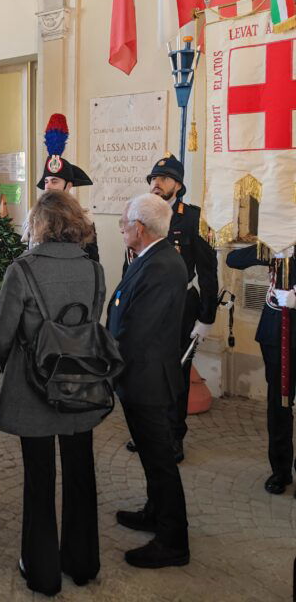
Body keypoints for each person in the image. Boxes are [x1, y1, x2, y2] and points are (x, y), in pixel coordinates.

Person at [0, 189, 105, 596]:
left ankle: (41, 572)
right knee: (81, 473)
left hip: (32, 383)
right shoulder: (94, 268)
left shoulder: (22, 270)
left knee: (39, 479)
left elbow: (3, 334)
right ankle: (83, 562)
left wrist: (8, 363)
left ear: (39, 224)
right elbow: (93, 320)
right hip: (83, 382)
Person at [107, 193, 189, 568]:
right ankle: (155, 512)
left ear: (139, 227)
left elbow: (139, 330)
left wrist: (109, 364)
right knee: (151, 455)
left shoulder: (161, 265)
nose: (122, 228)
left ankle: (173, 541)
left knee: (160, 461)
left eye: (124, 223)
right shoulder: (152, 258)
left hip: (147, 378)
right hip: (140, 375)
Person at [125, 155, 219, 462]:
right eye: (153, 178)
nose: (156, 183)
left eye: (163, 178)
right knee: (146, 371)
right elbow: (130, 263)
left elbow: (207, 271)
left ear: (177, 184)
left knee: (175, 375)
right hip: (144, 306)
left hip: (180, 307)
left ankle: (174, 436)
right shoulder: (139, 213)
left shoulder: (192, 218)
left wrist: (206, 317)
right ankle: (147, 432)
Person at [227, 246, 296, 495]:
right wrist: (269, 248)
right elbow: (233, 259)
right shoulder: (275, 241)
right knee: (278, 404)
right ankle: (280, 470)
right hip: (276, 332)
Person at [33, 114, 98, 261]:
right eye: (46, 181)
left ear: (68, 186)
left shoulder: (85, 221)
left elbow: (93, 262)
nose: (48, 186)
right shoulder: (34, 218)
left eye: (54, 181)